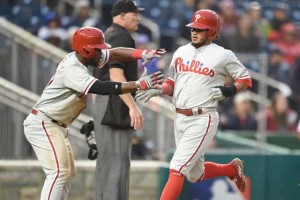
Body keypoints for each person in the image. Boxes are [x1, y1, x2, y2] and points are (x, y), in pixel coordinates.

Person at [23, 26, 165, 200]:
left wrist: (141, 54)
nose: (102, 53)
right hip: (43, 123)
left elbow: (115, 53)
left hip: (55, 124)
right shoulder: (72, 69)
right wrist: (138, 84)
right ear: (87, 50)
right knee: (59, 173)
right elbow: (102, 88)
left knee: (66, 174)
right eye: (98, 50)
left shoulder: (85, 58)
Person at [136, 9, 252, 199]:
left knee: (176, 168)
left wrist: (229, 90)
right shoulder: (181, 51)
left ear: (212, 32)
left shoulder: (223, 54)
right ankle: (232, 169)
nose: (194, 32)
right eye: (193, 28)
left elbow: (245, 79)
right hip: (179, 117)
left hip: (202, 117)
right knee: (194, 175)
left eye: (200, 29)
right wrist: (160, 89)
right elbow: (171, 81)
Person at [91, 1, 150, 200]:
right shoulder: (121, 36)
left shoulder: (106, 35)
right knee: (117, 164)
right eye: (134, 14)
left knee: (106, 164)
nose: (138, 18)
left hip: (103, 102)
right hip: (114, 104)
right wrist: (133, 107)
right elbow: (116, 75)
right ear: (122, 15)